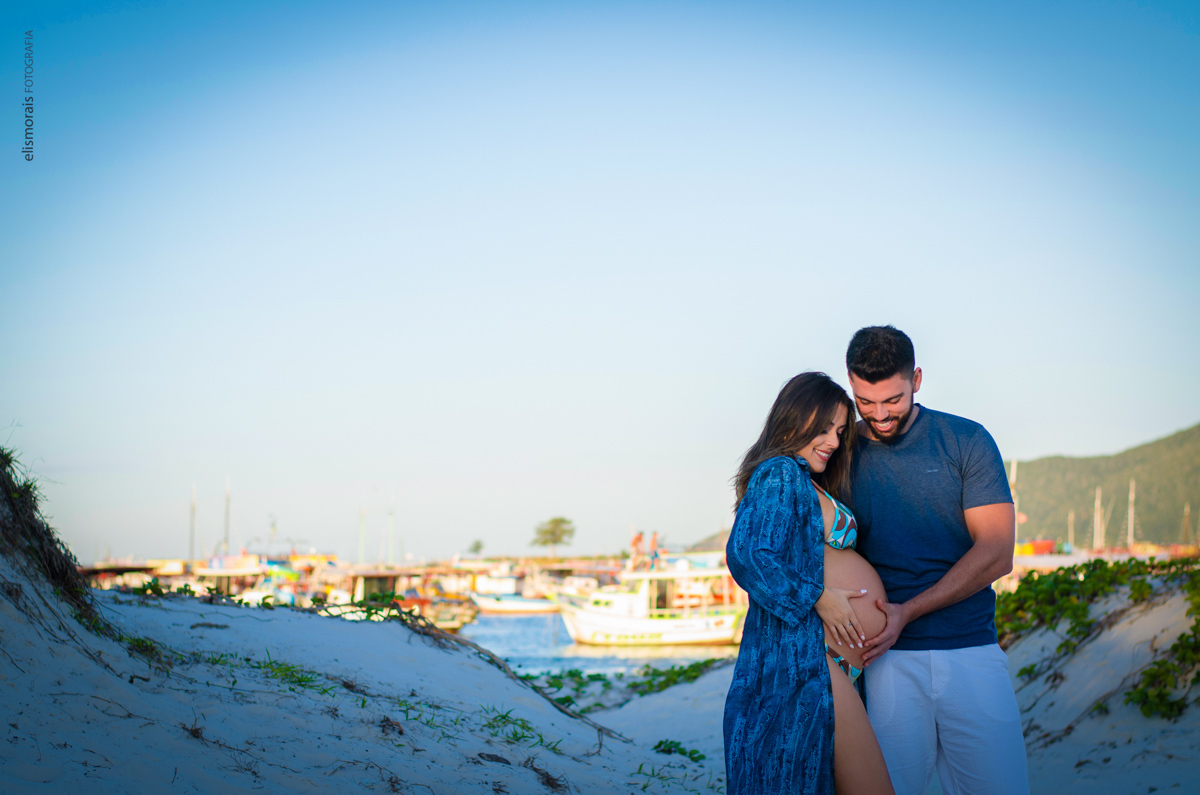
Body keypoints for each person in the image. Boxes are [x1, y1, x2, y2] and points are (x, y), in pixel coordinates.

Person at [845, 326, 1029, 795]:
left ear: (917, 379)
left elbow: (997, 553)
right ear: (851, 386)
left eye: (893, 399)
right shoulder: (840, 452)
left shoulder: (965, 439)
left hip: (971, 652)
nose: (880, 414)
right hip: (883, 662)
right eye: (865, 402)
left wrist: (908, 612)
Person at [724, 372, 894, 795]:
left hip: (829, 660)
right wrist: (817, 597)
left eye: (839, 431)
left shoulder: (804, 479)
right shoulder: (780, 472)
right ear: (793, 419)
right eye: (824, 428)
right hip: (808, 659)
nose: (834, 441)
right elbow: (748, 554)